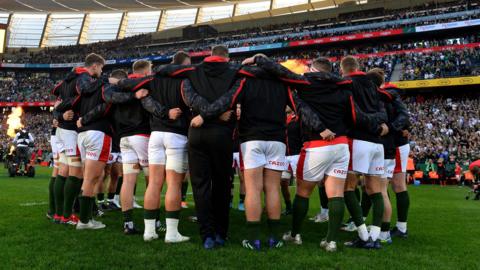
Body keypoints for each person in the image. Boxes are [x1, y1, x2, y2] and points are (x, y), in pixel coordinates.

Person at [249, 55, 382, 252]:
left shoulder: (306, 82)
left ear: (313, 69)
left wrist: (257, 58)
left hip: (316, 144)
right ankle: (331, 241)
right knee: (336, 193)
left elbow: (280, 71)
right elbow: (356, 116)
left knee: (303, 192)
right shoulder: (343, 87)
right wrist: (380, 123)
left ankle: (295, 235)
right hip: (341, 144)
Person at [118, 51, 192, 243]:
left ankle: (149, 231)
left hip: (155, 135)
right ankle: (171, 233)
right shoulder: (185, 81)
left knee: (154, 183)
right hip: (175, 135)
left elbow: (128, 87)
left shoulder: (152, 80)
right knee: (174, 183)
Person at [340, 56, 389, 249]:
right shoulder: (373, 84)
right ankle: (375, 237)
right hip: (378, 145)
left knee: (348, 188)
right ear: (358, 67)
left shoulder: (347, 83)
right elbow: (383, 112)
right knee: (374, 190)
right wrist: (378, 126)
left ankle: (362, 234)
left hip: (358, 141)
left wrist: (371, 127)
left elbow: (353, 114)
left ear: (342, 69)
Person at [104, 61, 151, 234]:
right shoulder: (146, 83)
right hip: (141, 136)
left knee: (128, 180)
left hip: (124, 138)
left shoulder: (118, 88)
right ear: (146, 71)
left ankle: (128, 224)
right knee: (151, 181)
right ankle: (152, 223)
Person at [367, 69, 410, 244]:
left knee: (397, 185)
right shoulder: (389, 94)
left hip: (396, 144)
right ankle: (395, 226)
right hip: (396, 143)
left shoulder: (389, 95)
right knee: (390, 186)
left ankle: (400, 227)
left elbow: (405, 120)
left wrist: (391, 128)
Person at [52, 66, 87, 225]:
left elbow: (55, 107)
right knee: (75, 171)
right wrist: (62, 113)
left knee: (63, 171)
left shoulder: (62, 84)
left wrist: (59, 115)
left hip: (61, 131)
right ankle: (67, 215)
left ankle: (59, 215)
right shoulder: (81, 80)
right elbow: (59, 107)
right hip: (71, 132)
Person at [281, 108, 302, 216]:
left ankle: (298, 208)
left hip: (297, 155)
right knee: (283, 182)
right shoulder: (281, 117)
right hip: (284, 156)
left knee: (299, 184)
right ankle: (289, 206)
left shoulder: (298, 117)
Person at [47, 119, 59, 219]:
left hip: (60, 134)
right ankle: (54, 210)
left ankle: (54, 209)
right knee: (60, 170)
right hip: (63, 134)